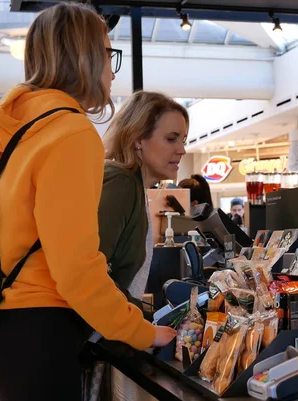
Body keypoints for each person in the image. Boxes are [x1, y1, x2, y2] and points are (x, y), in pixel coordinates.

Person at [0, 4, 175, 401]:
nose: (112, 72)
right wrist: (140, 331)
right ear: (86, 58)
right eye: (108, 55)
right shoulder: (70, 133)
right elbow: (76, 267)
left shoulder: (10, 126)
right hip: (40, 335)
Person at [93, 91, 188, 400]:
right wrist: (142, 330)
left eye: (183, 139)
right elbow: (90, 271)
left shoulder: (134, 187)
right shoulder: (121, 183)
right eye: (171, 138)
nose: (182, 149)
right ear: (138, 139)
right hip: (59, 342)